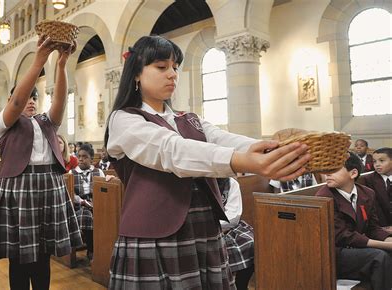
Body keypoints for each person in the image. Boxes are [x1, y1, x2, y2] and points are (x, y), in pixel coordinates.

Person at [104, 35, 310, 289]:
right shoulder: (124, 119)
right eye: (161, 67)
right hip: (154, 232)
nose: (172, 75)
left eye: (175, 68)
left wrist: (271, 149)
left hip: (202, 225)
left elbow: (223, 139)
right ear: (136, 73)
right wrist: (242, 162)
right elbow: (172, 151)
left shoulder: (187, 118)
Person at [0, 36, 82, 290]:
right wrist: (39, 60)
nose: (29, 101)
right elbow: (16, 102)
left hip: (49, 185)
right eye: (26, 96)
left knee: (43, 255)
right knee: (19, 256)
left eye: (34, 97)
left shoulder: (46, 121)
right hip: (20, 185)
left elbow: (60, 102)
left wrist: (62, 65)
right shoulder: (5, 121)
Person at [316, 152, 392, 290]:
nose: (327, 174)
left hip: (358, 247)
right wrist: (386, 246)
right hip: (335, 254)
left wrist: (389, 240)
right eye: (327, 170)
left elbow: (373, 228)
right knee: (379, 257)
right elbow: (343, 236)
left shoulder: (367, 193)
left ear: (353, 173)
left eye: (334, 170)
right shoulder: (324, 196)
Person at [218, 177, 254, 290]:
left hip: (228, 227)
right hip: (206, 230)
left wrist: (218, 226)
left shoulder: (231, 183)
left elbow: (233, 216)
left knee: (251, 242)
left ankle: (241, 285)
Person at [70, 143, 105, 262]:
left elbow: (103, 189)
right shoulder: (72, 173)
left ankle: (103, 249)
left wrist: (96, 202)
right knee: (86, 216)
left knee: (102, 216)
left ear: (91, 158)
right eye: (79, 156)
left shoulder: (98, 172)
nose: (80, 159)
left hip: (97, 202)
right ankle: (91, 249)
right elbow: (71, 194)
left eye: (84, 157)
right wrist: (82, 201)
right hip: (79, 205)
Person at [362, 147, 392, 229]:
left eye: (382, 161)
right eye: (374, 161)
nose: (377, 164)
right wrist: (383, 227)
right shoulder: (368, 180)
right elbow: (374, 207)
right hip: (382, 226)